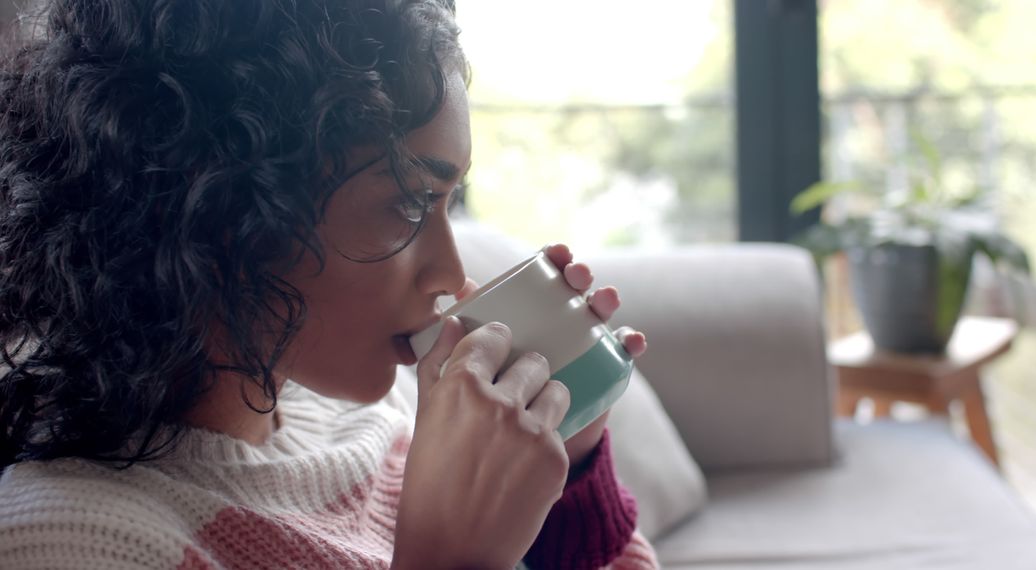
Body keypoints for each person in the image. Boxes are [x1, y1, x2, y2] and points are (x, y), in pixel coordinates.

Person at [0, 0, 659, 568]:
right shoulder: (67, 540)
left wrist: (570, 474)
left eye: (446, 203)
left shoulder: (379, 407)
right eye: (406, 203)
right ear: (227, 206)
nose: (452, 275)